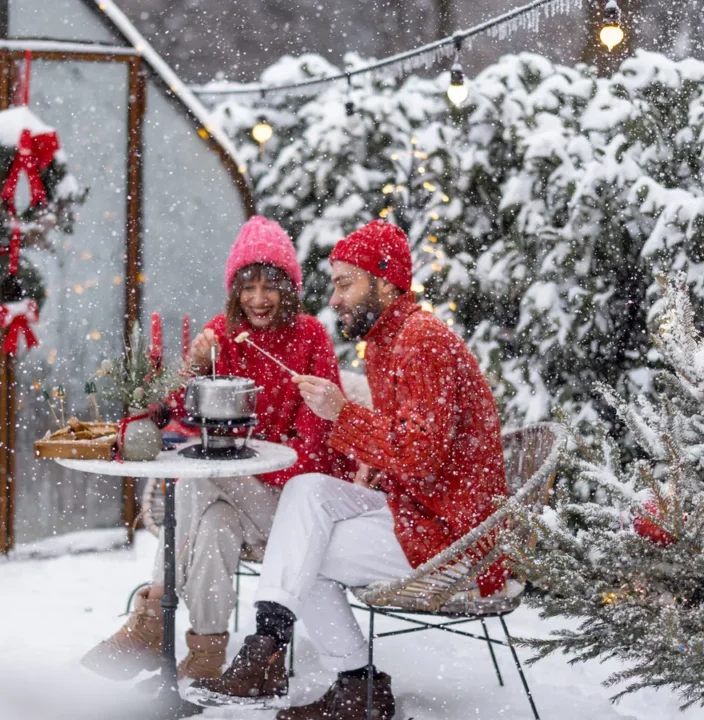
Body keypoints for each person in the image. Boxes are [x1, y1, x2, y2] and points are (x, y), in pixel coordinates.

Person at [189, 220, 508, 720]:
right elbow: (415, 444)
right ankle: (273, 646)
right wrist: (375, 463)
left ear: (384, 282)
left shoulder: (420, 340)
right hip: (418, 507)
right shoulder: (387, 340)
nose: (333, 299)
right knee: (309, 491)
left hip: (451, 532)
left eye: (344, 284)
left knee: (304, 551)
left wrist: (343, 414)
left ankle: (346, 681)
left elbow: (422, 454)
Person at [81, 216, 351, 682]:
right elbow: (172, 416)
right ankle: (206, 655)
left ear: (290, 288)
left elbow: (316, 455)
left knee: (199, 479)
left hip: (292, 513)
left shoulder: (310, 339)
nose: (259, 299)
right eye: (248, 286)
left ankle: (151, 618)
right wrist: (190, 367)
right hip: (229, 499)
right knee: (213, 525)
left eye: (271, 285)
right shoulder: (220, 336)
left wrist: (252, 465)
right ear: (234, 290)